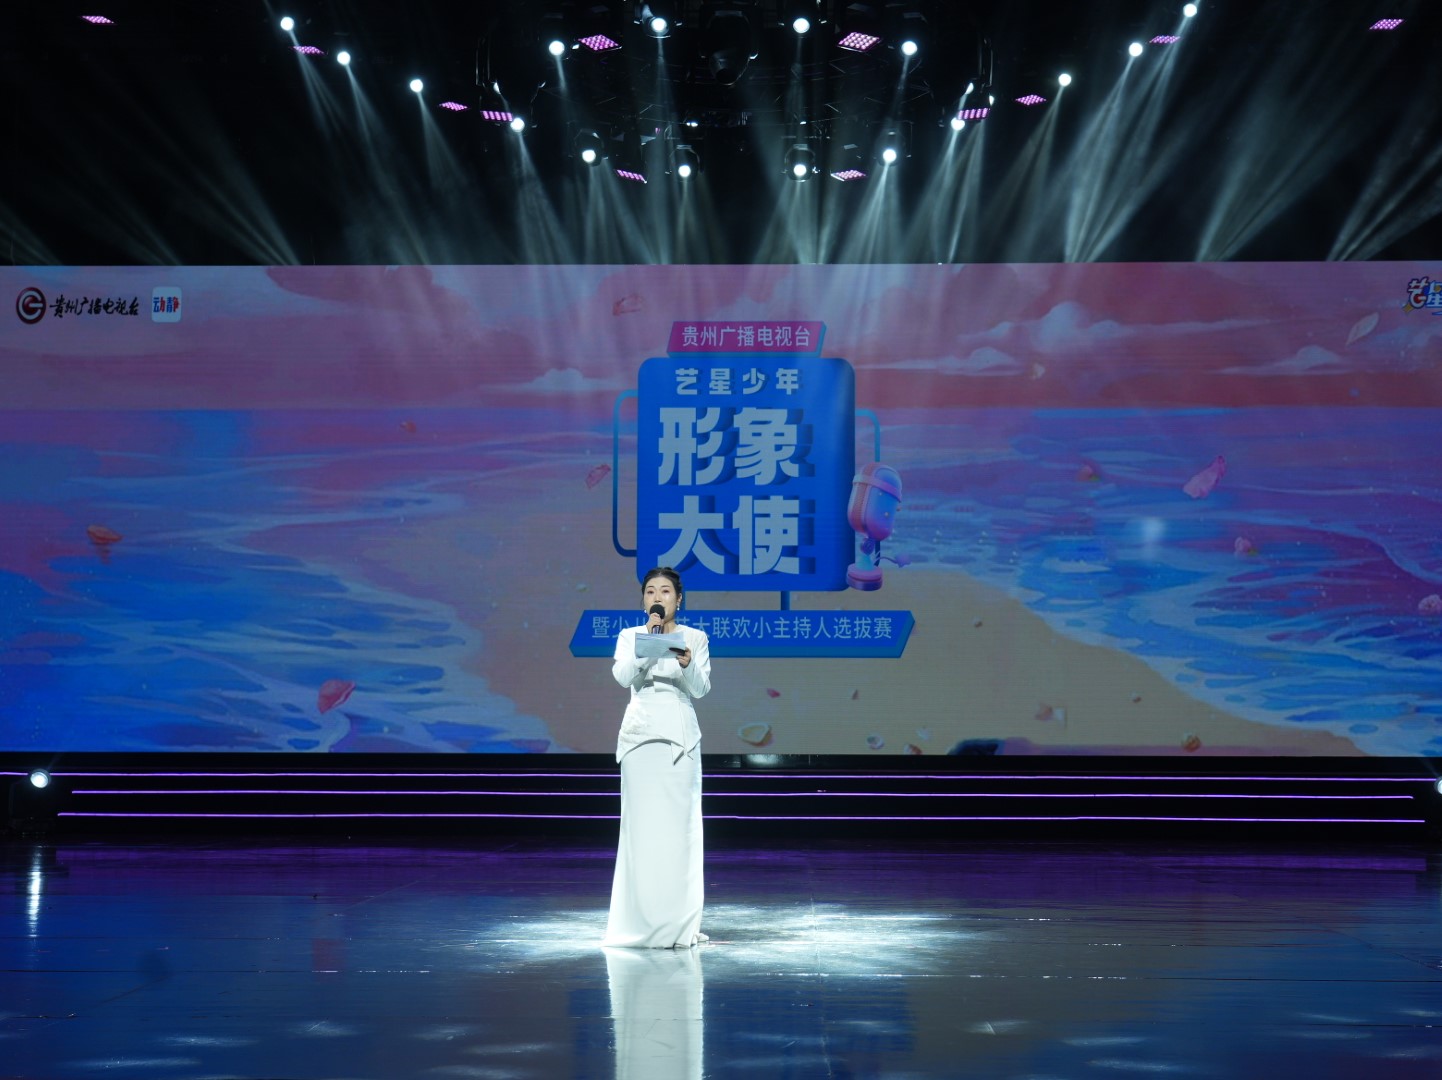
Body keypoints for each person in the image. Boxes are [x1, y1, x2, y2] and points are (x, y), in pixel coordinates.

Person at [602, 566, 712, 949]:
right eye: (650, 591)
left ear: (678, 599)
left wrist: (686, 663)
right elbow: (622, 677)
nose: (657, 597)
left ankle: (679, 925)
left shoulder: (695, 638)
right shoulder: (630, 636)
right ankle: (639, 923)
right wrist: (648, 647)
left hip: (679, 740)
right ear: (643, 600)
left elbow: (701, 689)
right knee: (641, 832)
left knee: (679, 833)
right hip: (640, 737)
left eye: (665, 591)